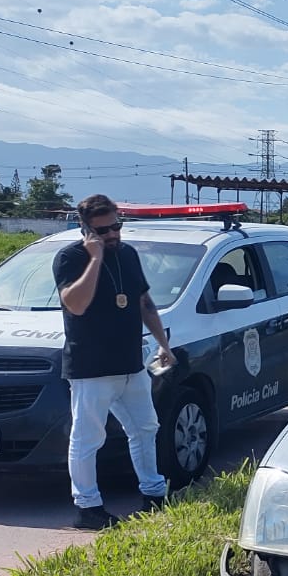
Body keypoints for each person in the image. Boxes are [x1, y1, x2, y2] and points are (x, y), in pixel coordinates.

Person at [53, 195, 174, 530]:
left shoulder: (128, 254)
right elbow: (75, 305)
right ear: (86, 229)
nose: (112, 235)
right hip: (91, 367)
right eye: (103, 230)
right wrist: (95, 259)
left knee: (145, 427)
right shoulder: (70, 258)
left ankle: (153, 492)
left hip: (130, 362)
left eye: (116, 226)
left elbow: (143, 301)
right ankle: (88, 507)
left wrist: (163, 343)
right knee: (88, 437)